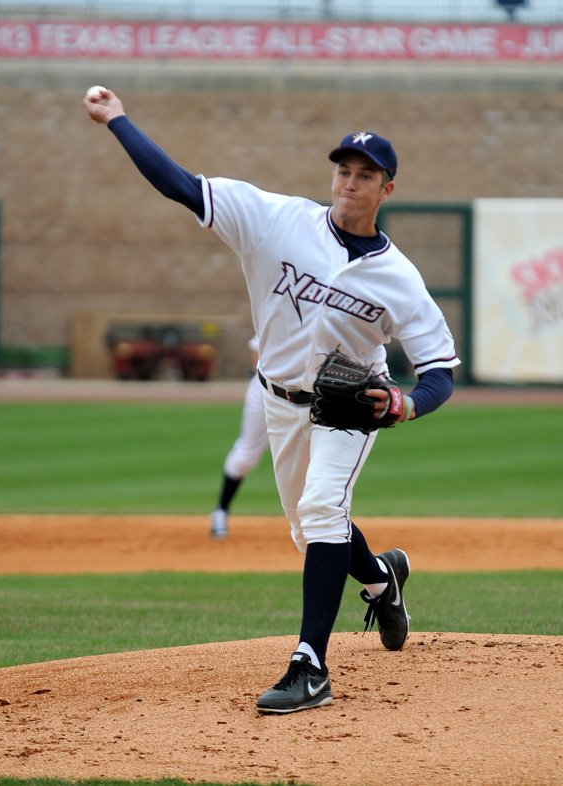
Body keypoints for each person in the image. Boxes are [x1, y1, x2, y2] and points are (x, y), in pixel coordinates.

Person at [83, 90, 461, 715]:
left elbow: (439, 370)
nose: (350, 182)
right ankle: (380, 579)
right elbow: (179, 184)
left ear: (385, 190)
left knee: (320, 510)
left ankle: (310, 667)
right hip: (279, 402)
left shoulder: (401, 279)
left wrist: (406, 405)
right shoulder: (274, 220)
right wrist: (117, 119)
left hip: (347, 407)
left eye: (365, 175)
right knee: (307, 527)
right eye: (344, 170)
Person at [210, 335, 269, 539]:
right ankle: (220, 511)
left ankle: (314, 521)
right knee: (246, 454)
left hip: (308, 392)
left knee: (308, 456)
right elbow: (257, 355)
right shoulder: (280, 307)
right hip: (265, 389)